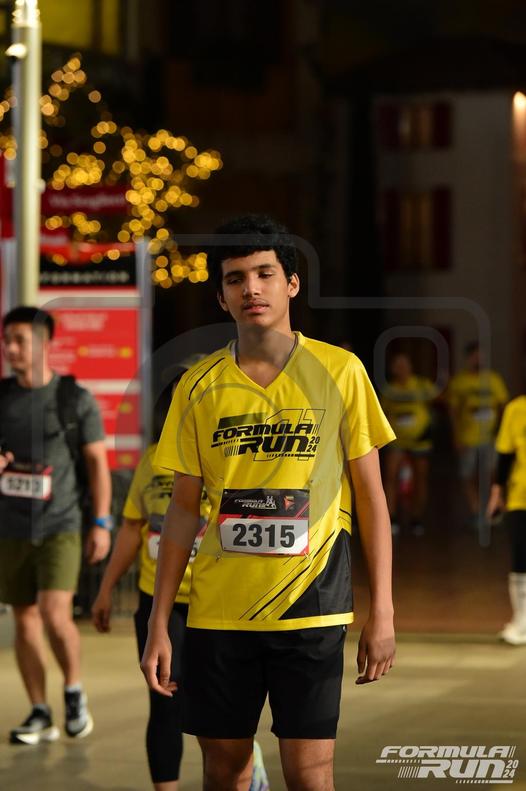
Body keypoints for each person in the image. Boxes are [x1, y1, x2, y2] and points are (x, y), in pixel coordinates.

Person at [141, 214, 396, 790]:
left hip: (313, 607)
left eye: (264, 274)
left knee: (310, 774)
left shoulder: (341, 371)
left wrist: (382, 609)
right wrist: (160, 622)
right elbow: (182, 509)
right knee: (224, 770)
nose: (250, 289)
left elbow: (372, 497)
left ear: (292, 284)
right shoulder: (198, 386)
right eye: (235, 279)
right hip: (217, 612)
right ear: (221, 297)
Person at [91, 360, 270, 791]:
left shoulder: (234, 455)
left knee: (222, 705)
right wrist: (105, 589)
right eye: (179, 405)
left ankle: (249, 760)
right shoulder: (152, 461)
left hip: (218, 601)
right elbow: (132, 527)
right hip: (162, 603)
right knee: (165, 703)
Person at [0, 306, 112, 745]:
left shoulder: (73, 399)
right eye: (7, 340)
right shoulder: (2, 398)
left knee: (53, 612)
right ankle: (39, 712)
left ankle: (72, 689)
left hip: (61, 523)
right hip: (10, 526)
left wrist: (100, 523)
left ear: (45, 344)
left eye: (20, 340)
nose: (11, 348)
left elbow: (97, 464)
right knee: (24, 618)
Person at [447, 341, 508, 525]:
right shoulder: (459, 382)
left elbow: (503, 407)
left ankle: (494, 509)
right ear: (468, 358)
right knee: (468, 476)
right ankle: (476, 511)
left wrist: (502, 431)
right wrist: (456, 436)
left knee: (492, 475)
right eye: (475, 356)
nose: (478, 360)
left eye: (481, 356)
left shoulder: (494, 380)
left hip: (490, 437)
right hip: (468, 438)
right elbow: (453, 412)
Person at [381, 352, 438, 536]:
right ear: (392, 369)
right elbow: (383, 412)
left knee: (421, 478)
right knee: (390, 477)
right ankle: (392, 518)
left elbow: (438, 402)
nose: (401, 369)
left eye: (404, 365)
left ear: (411, 367)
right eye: (397, 365)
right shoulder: (390, 390)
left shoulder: (422, 385)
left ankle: (416, 518)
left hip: (420, 440)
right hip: (397, 440)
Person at [487, 394, 526, 645]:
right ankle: (522, 620)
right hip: (521, 496)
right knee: (521, 558)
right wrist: (496, 493)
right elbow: (505, 456)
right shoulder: (516, 409)